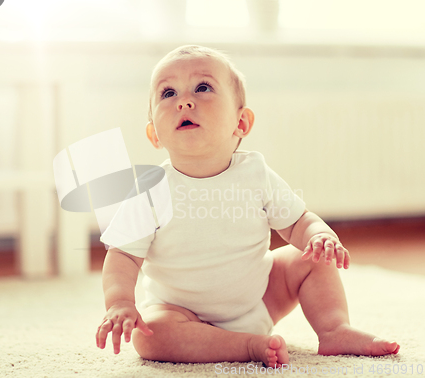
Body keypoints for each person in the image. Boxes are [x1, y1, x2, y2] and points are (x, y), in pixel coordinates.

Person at [95, 45, 400, 367]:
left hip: (260, 300)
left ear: (241, 123)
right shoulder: (150, 191)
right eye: (168, 92)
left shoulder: (255, 173)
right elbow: (124, 255)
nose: (184, 100)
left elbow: (297, 223)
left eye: (203, 87)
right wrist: (119, 303)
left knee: (309, 255)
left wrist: (320, 235)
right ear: (153, 134)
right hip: (181, 313)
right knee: (149, 335)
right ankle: (247, 346)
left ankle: (335, 329)